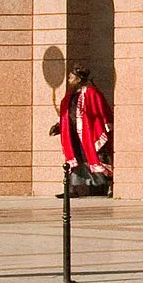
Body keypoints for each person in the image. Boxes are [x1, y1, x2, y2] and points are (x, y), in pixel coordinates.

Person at [49, 63, 112, 197]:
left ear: (78, 80)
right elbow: (66, 114)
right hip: (72, 134)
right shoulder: (70, 96)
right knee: (74, 159)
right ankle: (71, 189)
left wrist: (106, 125)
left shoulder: (91, 92)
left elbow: (101, 110)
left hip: (89, 133)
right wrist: (59, 126)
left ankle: (110, 185)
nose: (69, 81)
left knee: (97, 157)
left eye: (71, 78)